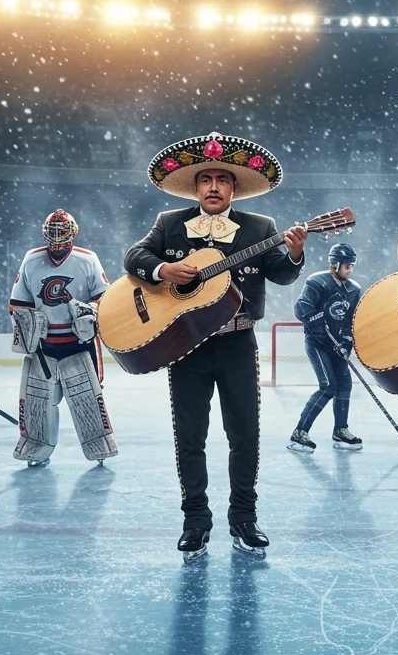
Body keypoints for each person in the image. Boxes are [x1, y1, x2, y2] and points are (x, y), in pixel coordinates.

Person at [125, 131, 307, 561]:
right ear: (195, 187)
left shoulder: (261, 228)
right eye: (204, 179)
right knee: (191, 437)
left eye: (220, 180)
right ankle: (195, 522)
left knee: (244, 436)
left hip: (237, 342)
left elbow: (281, 274)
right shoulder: (169, 223)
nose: (212, 186)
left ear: (233, 188)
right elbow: (134, 257)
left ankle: (244, 519)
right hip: (184, 346)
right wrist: (162, 268)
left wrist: (296, 254)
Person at [10, 209, 117, 466]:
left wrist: (89, 310)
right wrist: (26, 323)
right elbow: (18, 302)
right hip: (44, 345)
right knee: (39, 399)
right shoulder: (31, 259)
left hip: (79, 343)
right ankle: (37, 444)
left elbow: (106, 297)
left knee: (86, 399)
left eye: (62, 232)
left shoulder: (88, 259)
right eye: (53, 232)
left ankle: (97, 443)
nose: (57, 239)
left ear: (73, 233)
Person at [288, 242, 363, 453]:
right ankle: (300, 432)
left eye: (352, 266)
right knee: (328, 386)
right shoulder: (317, 282)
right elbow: (301, 307)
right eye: (346, 265)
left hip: (337, 345)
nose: (350, 269)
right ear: (333, 266)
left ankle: (340, 430)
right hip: (318, 343)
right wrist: (316, 320)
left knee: (345, 384)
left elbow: (350, 319)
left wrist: (347, 341)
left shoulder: (353, 289)